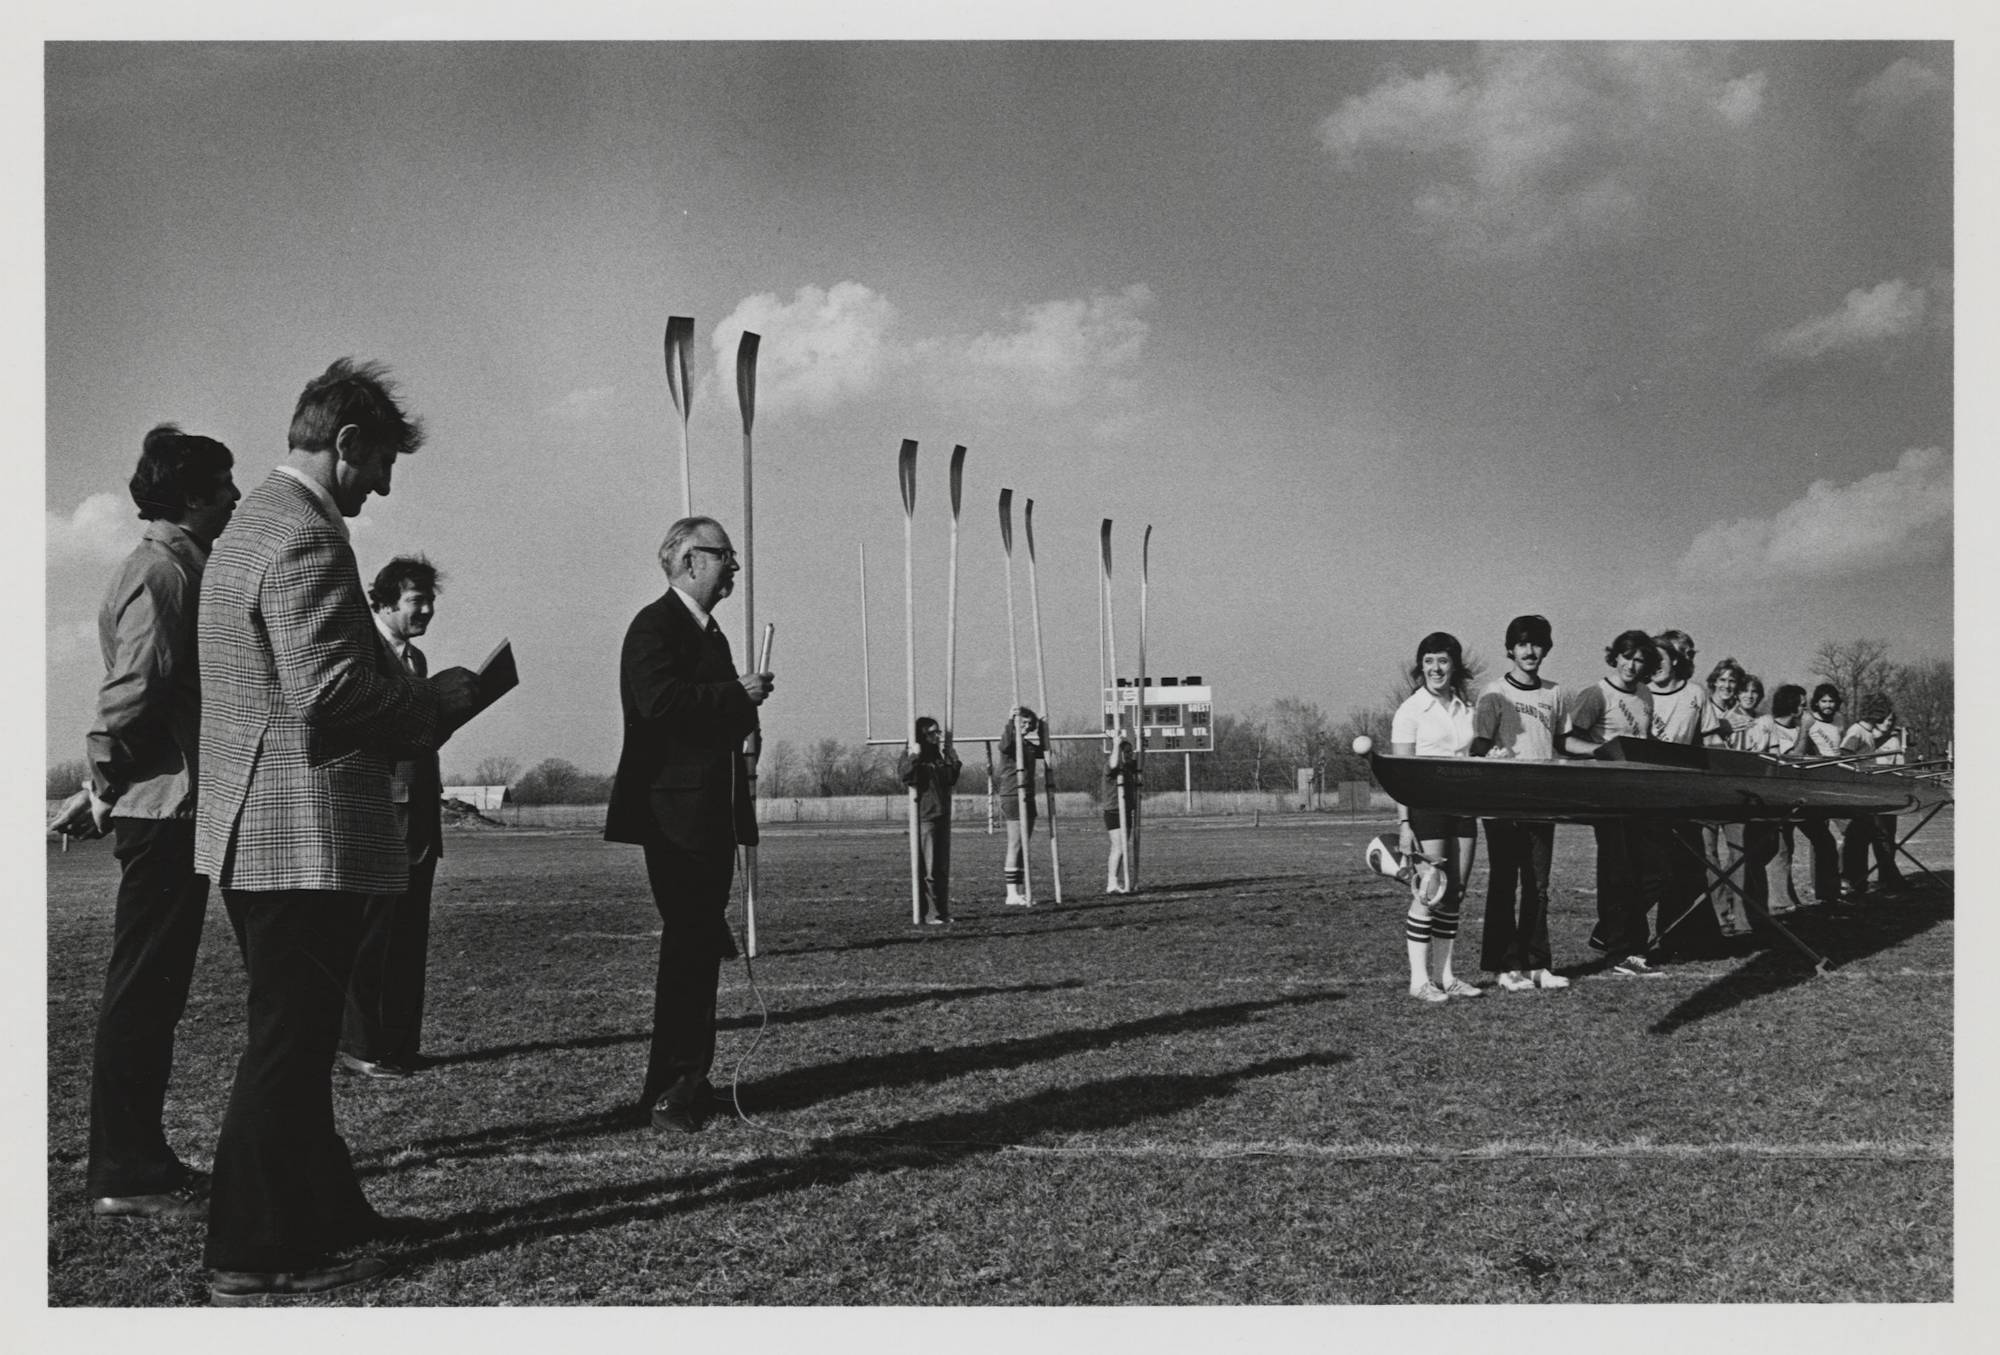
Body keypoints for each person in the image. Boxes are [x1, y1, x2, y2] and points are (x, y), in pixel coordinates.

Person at [194, 360, 481, 1304]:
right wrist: (424, 700)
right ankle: (246, 1248)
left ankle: (325, 1213)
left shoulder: (248, 527)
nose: (383, 488)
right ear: (346, 443)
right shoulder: (309, 536)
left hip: (253, 827)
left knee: (299, 1032)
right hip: (300, 834)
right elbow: (327, 689)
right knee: (288, 1039)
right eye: (381, 464)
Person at [47, 426, 239, 1223]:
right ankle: (125, 1168)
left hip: (170, 810)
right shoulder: (162, 574)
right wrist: (103, 782)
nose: (234, 497)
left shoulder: (175, 566)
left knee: (153, 996)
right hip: (164, 815)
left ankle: (140, 1156)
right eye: (223, 484)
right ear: (191, 495)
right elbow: (129, 694)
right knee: (141, 994)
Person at [605, 516, 772, 1135]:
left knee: (698, 950)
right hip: (674, 818)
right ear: (686, 560)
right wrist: (737, 696)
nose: (733, 566)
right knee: (690, 949)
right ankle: (673, 1090)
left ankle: (687, 1083)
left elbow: (705, 719)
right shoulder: (654, 627)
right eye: (724, 554)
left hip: (709, 815)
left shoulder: (710, 634)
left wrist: (742, 724)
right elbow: (658, 705)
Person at [337, 556, 447, 1079]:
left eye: (429, 600)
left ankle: (400, 1044)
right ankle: (361, 1048)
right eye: (415, 601)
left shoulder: (416, 659)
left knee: (408, 938)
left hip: (420, 820)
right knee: (369, 939)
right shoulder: (361, 651)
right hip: (376, 817)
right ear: (382, 602)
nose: (425, 610)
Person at [1467, 614, 1570, 992]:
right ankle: (1506, 966)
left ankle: (1538, 964)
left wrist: (1609, 751)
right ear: (1511, 649)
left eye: (1537, 643)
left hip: (1542, 803)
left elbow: (1564, 743)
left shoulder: (1556, 693)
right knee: (1504, 883)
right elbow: (1478, 745)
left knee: (1538, 886)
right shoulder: (1494, 692)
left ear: (1546, 649)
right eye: (1523, 644)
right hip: (1503, 805)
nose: (1530, 651)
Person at [1563, 630, 1662, 977]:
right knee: (1618, 873)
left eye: (1639, 660)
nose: (1632, 666)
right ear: (1615, 657)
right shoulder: (1595, 694)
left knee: (1652, 871)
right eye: (1627, 657)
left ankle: (1616, 937)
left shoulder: (1646, 694)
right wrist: (1600, 751)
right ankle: (1622, 952)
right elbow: (1567, 742)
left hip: (1641, 794)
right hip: (1608, 793)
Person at [1389, 631, 1482, 1002]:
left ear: (1454, 665)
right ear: (1420, 667)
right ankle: (1418, 981)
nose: (1435, 668)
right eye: (1428, 661)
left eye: (1442, 660)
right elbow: (1400, 774)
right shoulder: (1411, 709)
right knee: (1430, 891)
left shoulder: (1465, 707)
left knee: (1454, 893)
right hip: (1425, 807)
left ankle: (1446, 977)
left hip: (1463, 806)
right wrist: (1404, 824)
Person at [1647, 630, 1728, 951]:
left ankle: (1678, 938)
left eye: (1663, 659)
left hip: (1683, 795)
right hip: (1645, 794)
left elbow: (1711, 741)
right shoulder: (1638, 694)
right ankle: (1623, 940)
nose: (1656, 666)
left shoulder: (1695, 694)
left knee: (1690, 869)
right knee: (1654, 870)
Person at [1738, 684, 1813, 918]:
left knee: (1785, 847)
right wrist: (1804, 731)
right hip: (1764, 797)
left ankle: (1783, 896)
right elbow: (1791, 761)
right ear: (1792, 705)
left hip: (1789, 797)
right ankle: (1776, 903)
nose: (1805, 708)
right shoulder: (1769, 725)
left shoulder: (1795, 727)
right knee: (1773, 849)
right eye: (1802, 704)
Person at [1696, 656, 1754, 938]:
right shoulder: (1701, 708)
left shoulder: (1744, 716)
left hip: (1735, 794)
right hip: (1706, 792)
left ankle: (1741, 917)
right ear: (1713, 682)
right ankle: (1719, 916)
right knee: (1708, 857)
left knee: (1739, 855)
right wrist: (1722, 728)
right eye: (1723, 680)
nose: (1728, 686)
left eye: (1733, 681)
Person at [1838, 693, 1908, 900]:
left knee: (1876, 837)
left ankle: (1872, 880)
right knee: (1858, 839)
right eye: (1882, 715)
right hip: (1861, 795)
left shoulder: (1870, 733)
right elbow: (1844, 757)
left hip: (1876, 794)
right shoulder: (1857, 730)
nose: (1885, 720)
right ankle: (1852, 880)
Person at [898, 716, 961, 923]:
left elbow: (950, 779)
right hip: (926, 817)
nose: (937, 736)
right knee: (929, 869)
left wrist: (954, 761)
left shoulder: (937, 757)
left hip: (942, 815)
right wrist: (914, 756)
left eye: (938, 732)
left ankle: (942, 912)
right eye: (932, 733)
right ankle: (929, 913)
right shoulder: (913, 754)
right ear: (922, 735)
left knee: (941, 869)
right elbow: (907, 776)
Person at [1795, 683, 1847, 905]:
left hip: (1837, 780)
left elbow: (1840, 748)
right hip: (1815, 781)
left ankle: (1837, 885)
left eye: (1832, 701)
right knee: (1821, 838)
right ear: (1816, 702)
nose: (1828, 705)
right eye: (1824, 701)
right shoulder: (1808, 720)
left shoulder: (1840, 720)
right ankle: (1822, 888)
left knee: (1845, 833)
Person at [998, 705, 1045, 906]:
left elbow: (1044, 751)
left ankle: (1018, 890)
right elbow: (1004, 745)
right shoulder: (1010, 743)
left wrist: (1043, 729)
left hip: (1028, 794)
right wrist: (1010, 721)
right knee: (1015, 843)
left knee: (1024, 845)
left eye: (1029, 723)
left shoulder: (1027, 745)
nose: (1026, 726)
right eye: (1022, 722)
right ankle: (1011, 893)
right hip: (1013, 794)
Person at [1103, 738, 1140, 894]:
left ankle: (1116, 881)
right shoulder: (1112, 766)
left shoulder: (1128, 767)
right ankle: (1112, 883)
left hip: (1126, 810)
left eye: (1130, 752)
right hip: (1114, 811)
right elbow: (1112, 764)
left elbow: (1140, 761)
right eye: (1126, 752)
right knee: (1119, 847)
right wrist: (1117, 745)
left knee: (1123, 847)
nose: (1129, 754)